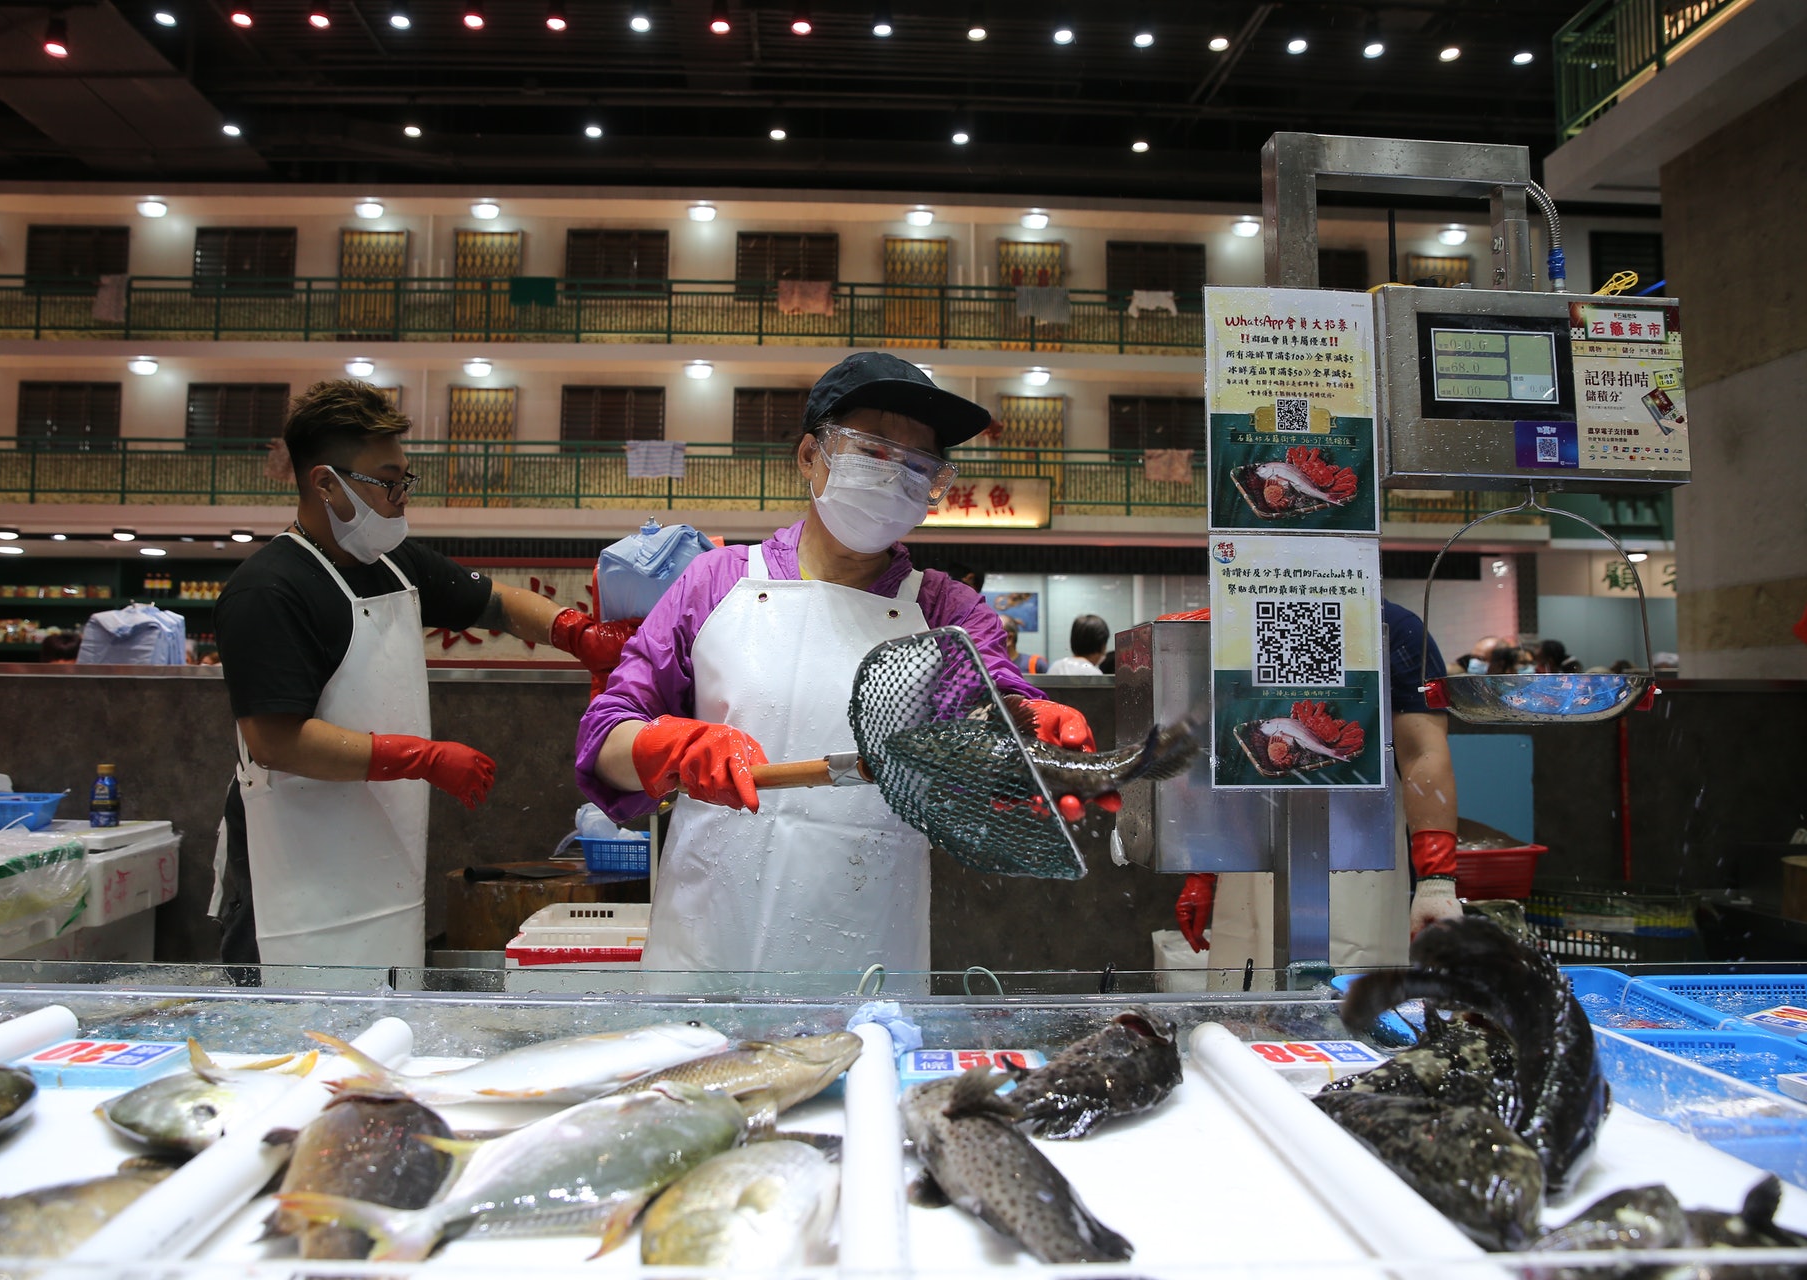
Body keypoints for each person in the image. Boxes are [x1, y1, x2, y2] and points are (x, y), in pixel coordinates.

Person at [576, 351, 1107, 979]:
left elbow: (992, 704)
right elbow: (605, 734)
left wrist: (1027, 729)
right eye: (873, 451)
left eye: (918, 466)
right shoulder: (714, 582)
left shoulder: (946, 611)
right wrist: (669, 746)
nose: (894, 477)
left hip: (867, 952)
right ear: (810, 456)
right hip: (707, 947)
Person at [209, 380, 635, 967]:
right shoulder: (267, 591)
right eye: (387, 482)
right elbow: (276, 741)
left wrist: (579, 634)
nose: (402, 496)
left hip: (378, 856)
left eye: (404, 479)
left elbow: (495, 602)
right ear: (326, 483)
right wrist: (420, 758)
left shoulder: (391, 563)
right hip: (287, 867)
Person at [1175, 599, 1463, 974]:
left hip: (1361, 856)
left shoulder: (1394, 627)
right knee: (1246, 999)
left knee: (1354, 1003)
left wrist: (1437, 880)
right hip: (1247, 853)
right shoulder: (1232, 627)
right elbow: (1214, 754)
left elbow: (1422, 752)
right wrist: (1202, 868)